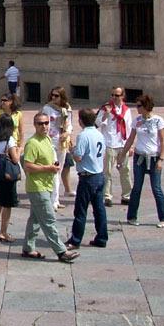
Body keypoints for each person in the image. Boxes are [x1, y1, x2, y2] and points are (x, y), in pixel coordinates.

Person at [21, 112, 78, 262]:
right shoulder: (32, 143)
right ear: (35, 125)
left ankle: (28, 247)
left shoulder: (47, 139)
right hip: (37, 187)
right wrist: (48, 168)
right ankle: (61, 251)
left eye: (46, 123)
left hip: (46, 185)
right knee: (48, 219)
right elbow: (27, 165)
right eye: (40, 123)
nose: (44, 126)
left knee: (35, 219)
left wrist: (53, 166)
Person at [119, 94, 164, 228]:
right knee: (136, 188)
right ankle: (131, 216)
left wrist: (161, 159)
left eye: (139, 106)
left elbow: (163, 141)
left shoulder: (158, 120)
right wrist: (123, 154)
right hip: (139, 157)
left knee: (156, 188)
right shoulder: (137, 120)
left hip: (154, 157)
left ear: (147, 106)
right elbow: (131, 139)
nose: (137, 108)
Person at [65, 107, 108, 249]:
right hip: (99, 174)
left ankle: (75, 240)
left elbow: (78, 157)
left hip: (87, 176)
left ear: (81, 121)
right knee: (99, 208)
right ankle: (102, 237)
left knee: (80, 210)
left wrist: (72, 151)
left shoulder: (83, 135)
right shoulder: (98, 134)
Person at [97, 86, 133, 207]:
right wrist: (106, 115)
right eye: (112, 95)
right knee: (107, 171)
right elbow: (97, 123)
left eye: (117, 95)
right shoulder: (105, 108)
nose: (114, 97)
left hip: (123, 143)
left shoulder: (126, 110)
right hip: (109, 143)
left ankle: (126, 196)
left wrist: (130, 145)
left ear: (122, 96)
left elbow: (129, 128)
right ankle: (107, 196)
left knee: (125, 170)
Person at [0, 113, 20, 243]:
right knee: (7, 204)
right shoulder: (9, 140)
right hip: (6, 173)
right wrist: (19, 149)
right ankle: (3, 232)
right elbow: (15, 159)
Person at [41, 86, 73, 210]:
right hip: (51, 141)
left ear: (62, 97)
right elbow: (44, 123)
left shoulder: (67, 108)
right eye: (52, 95)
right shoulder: (47, 108)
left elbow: (69, 124)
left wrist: (67, 133)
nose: (53, 98)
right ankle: (53, 200)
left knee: (58, 171)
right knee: (54, 169)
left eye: (56, 96)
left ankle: (55, 198)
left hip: (62, 142)